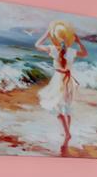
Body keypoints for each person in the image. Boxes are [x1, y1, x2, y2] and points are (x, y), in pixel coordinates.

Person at [35, 20, 87, 157]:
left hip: (58, 79)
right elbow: (85, 53)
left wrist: (46, 34)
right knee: (66, 106)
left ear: (54, 36)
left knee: (58, 107)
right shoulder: (72, 51)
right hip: (68, 80)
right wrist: (79, 41)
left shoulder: (52, 49)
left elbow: (37, 45)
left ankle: (67, 133)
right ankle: (67, 132)